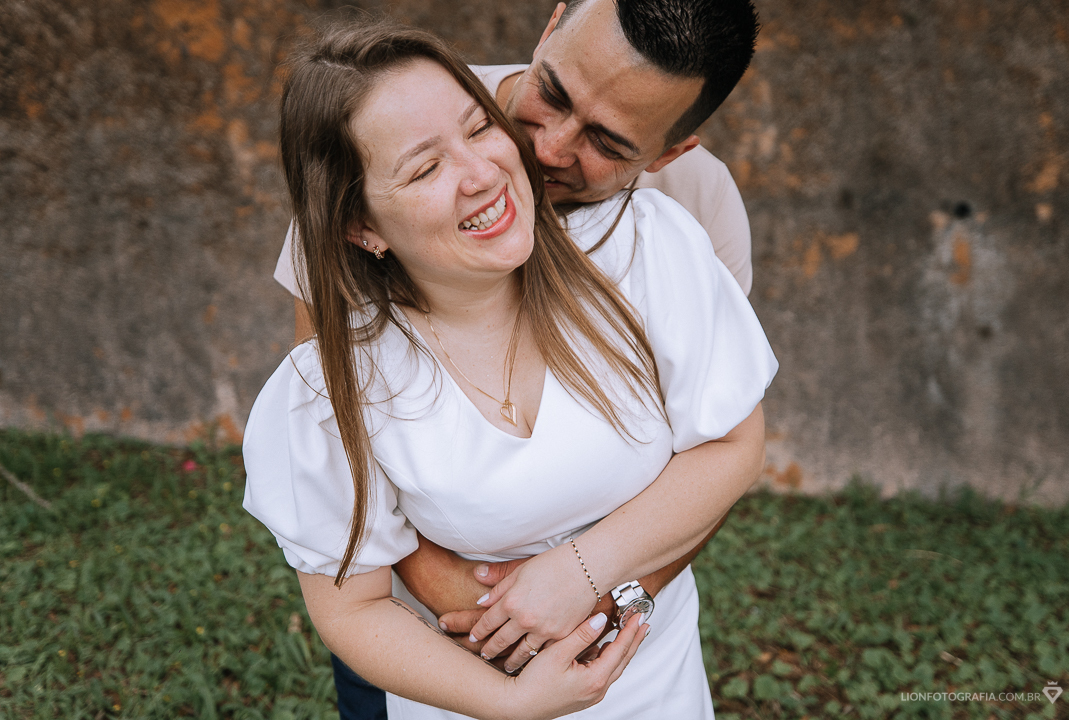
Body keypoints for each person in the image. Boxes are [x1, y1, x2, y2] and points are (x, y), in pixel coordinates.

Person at [243, 16, 776, 720]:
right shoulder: (391, 117)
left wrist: (588, 586)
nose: (531, 155)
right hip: (450, 670)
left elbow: (726, 438)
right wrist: (505, 672)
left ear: (666, 153)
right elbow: (353, 582)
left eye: (606, 142)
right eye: (551, 95)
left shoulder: (660, 235)